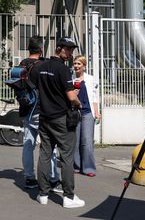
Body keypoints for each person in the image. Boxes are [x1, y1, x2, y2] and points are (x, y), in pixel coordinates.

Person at [33, 36, 84, 209]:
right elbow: (71, 96)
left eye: (72, 49)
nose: (70, 53)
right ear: (59, 48)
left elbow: (31, 84)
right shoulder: (63, 69)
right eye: (68, 49)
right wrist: (79, 103)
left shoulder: (41, 67)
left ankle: (43, 194)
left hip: (44, 117)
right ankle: (69, 196)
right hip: (61, 118)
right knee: (66, 157)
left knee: (45, 154)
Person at [19, 36, 60, 191]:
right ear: (41, 49)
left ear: (29, 48)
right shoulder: (42, 65)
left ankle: (29, 177)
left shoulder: (22, 64)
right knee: (50, 145)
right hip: (42, 109)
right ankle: (53, 178)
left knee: (28, 144)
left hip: (26, 108)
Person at [72, 55, 100, 177]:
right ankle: (77, 166)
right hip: (75, 112)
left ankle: (89, 168)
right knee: (75, 141)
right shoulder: (71, 79)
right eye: (75, 64)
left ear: (84, 66)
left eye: (79, 64)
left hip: (88, 112)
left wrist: (97, 112)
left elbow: (94, 96)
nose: (76, 66)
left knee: (87, 141)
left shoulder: (90, 79)